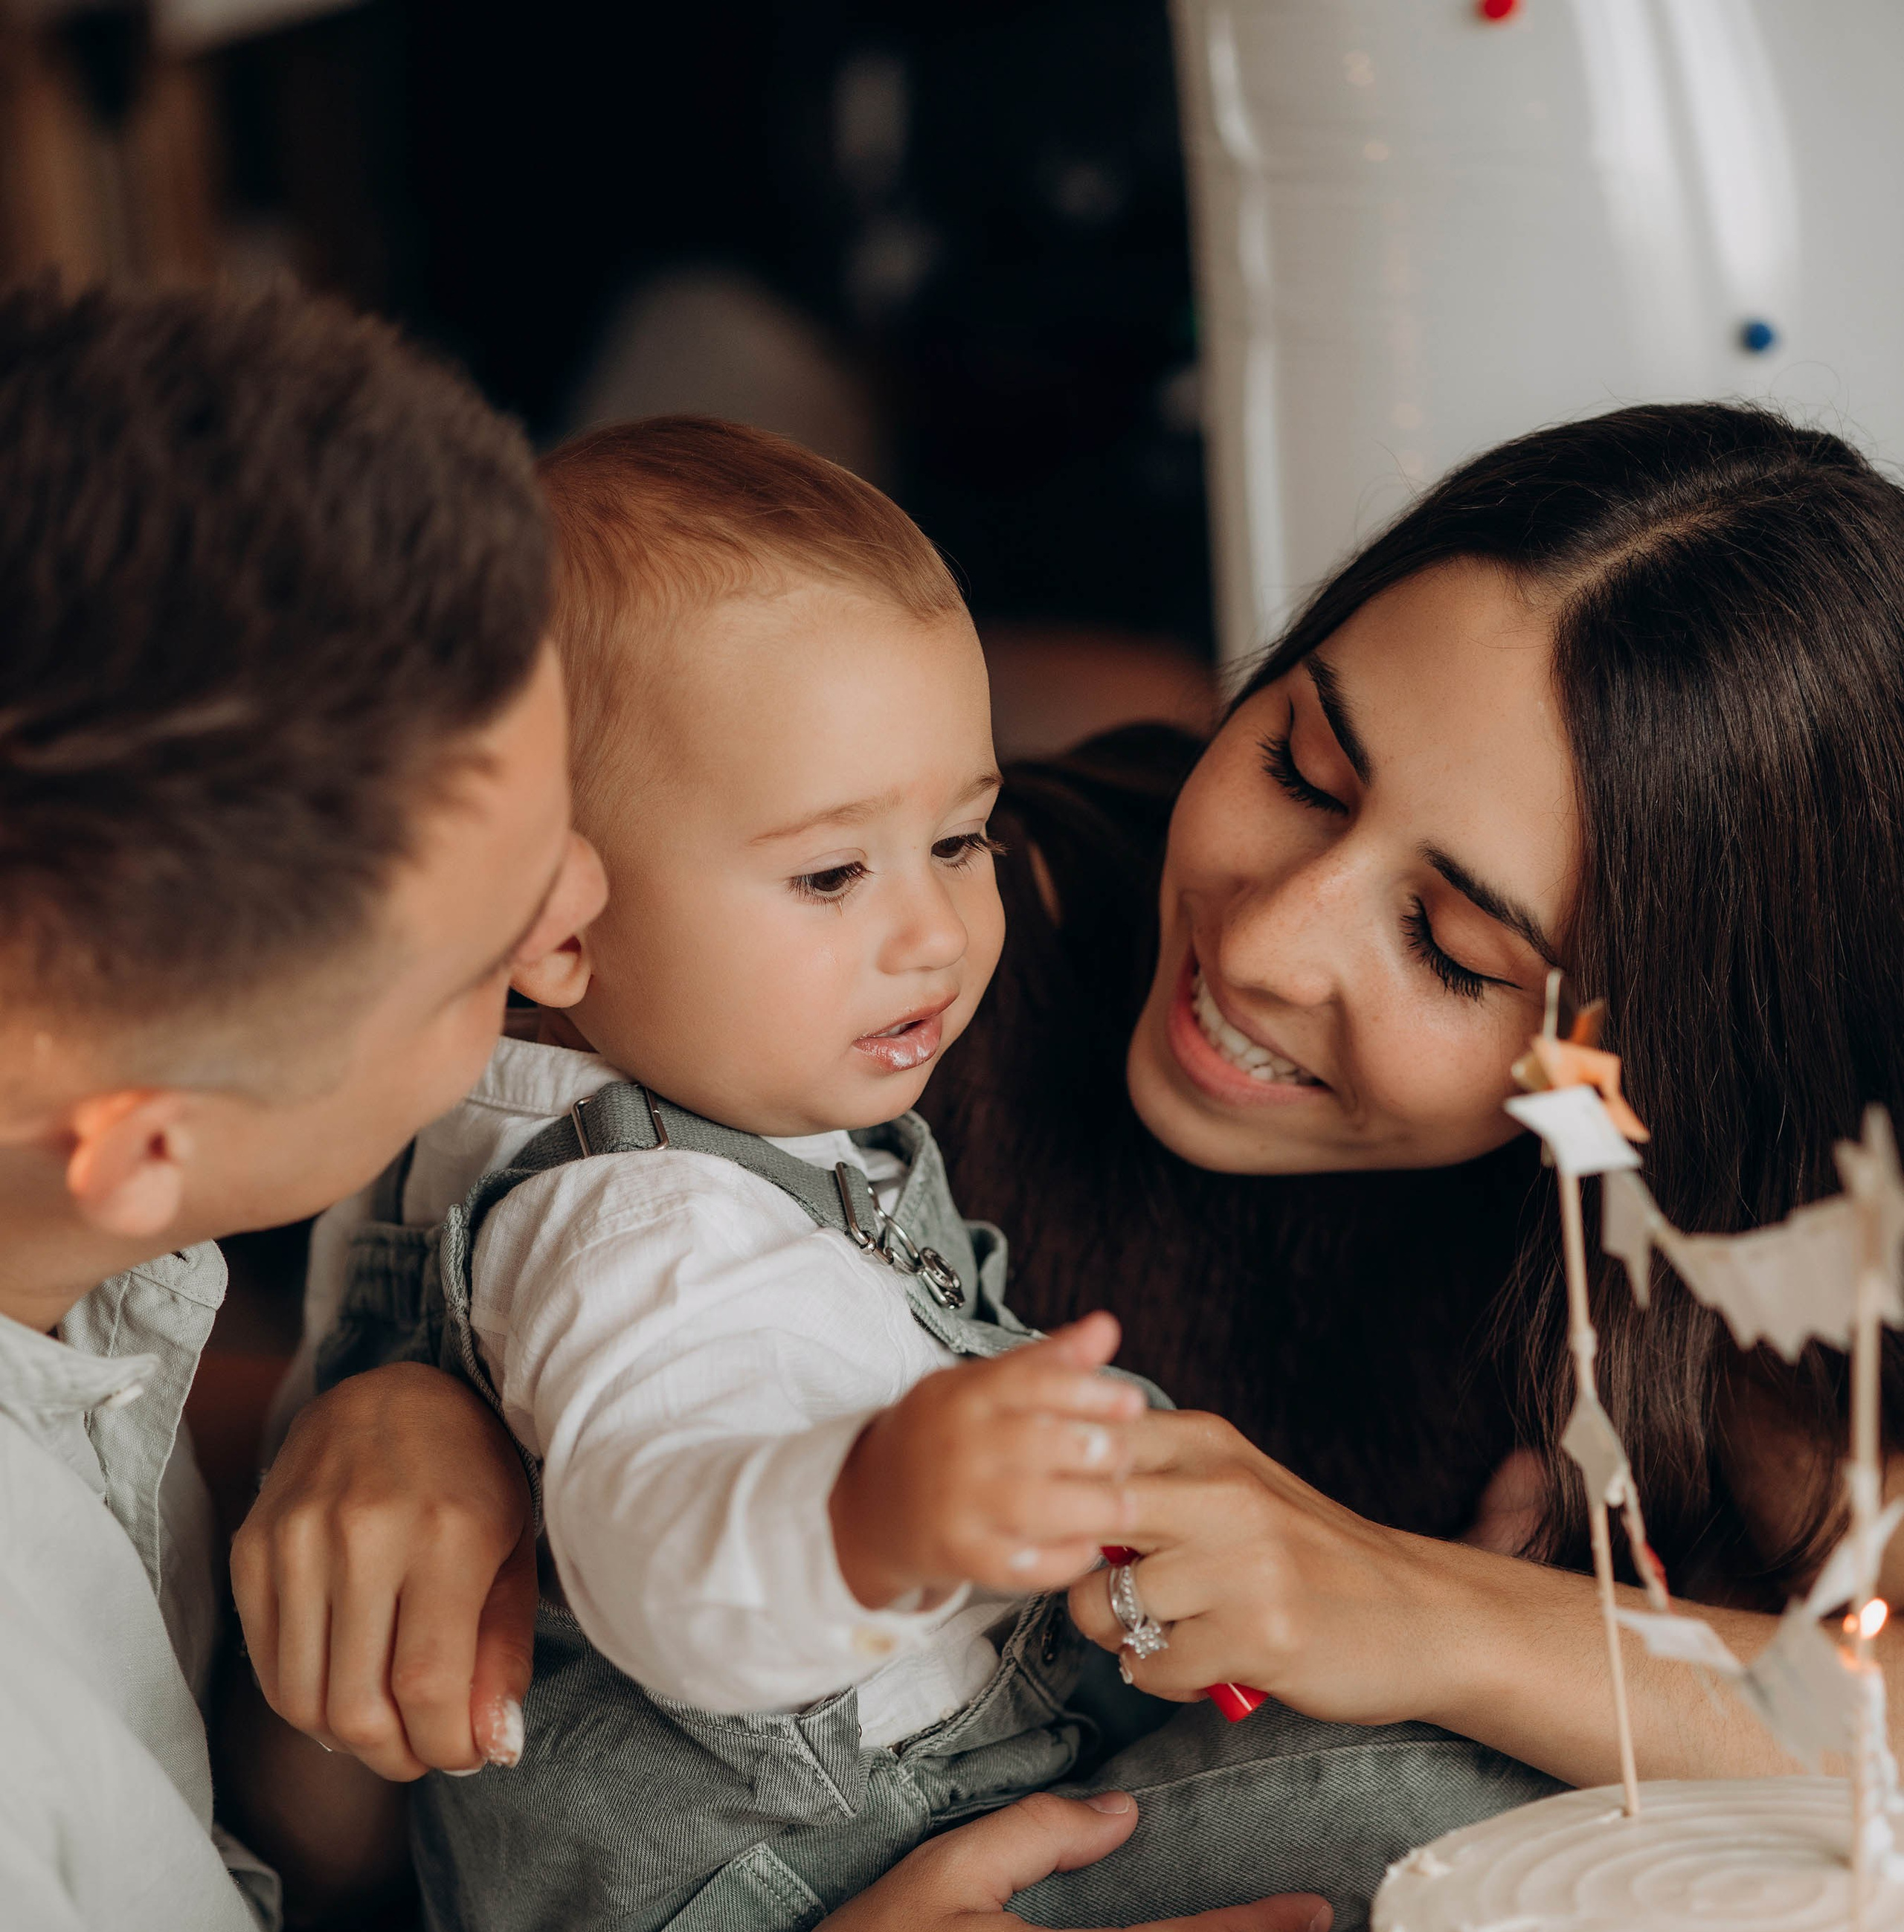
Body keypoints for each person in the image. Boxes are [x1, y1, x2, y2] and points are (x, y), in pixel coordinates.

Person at [0, 281, 1350, 1932]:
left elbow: (253, 1828)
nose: (574, 955)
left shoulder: (104, 1231)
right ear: (141, 1133)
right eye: (493, 957)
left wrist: (424, 1390)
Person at [244, 401, 1904, 1800]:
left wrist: (1427, 1613)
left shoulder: (1713, 1240)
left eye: (1450, 946)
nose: (1261, 939)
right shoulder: (857, 961)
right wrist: (432, 1390)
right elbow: (305, 1853)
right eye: (1297, 766)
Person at [290, 418, 1543, 1932]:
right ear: (555, 929)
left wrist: (1447, 1611)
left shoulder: (764, 1081)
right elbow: (666, 1549)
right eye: (831, 871)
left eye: (963, 836)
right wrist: (872, 1503)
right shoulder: (641, 1217)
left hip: (833, 1844)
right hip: (748, 1928)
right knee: (1466, 1808)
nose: (939, 931)